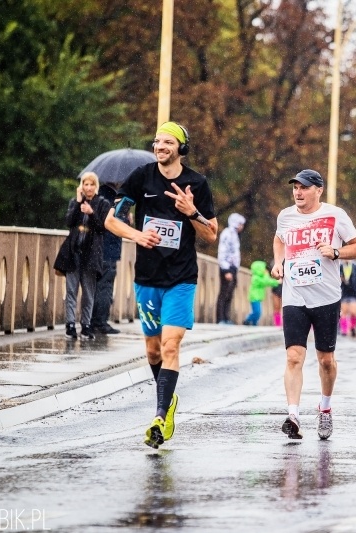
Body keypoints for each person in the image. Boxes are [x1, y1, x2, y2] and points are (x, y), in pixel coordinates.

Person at [105, 121, 218, 449]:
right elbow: (112, 219)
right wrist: (137, 234)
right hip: (147, 278)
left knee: (171, 345)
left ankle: (158, 415)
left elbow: (210, 234)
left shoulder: (197, 183)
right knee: (153, 349)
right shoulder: (142, 177)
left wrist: (192, 212)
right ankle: (168, 403)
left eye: (167, 142)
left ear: (181, 148)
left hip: (181, 278)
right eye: (157, 141)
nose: (160, 147)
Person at [271, 169, 356, 440]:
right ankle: (293, 415)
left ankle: (325, 408)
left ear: (318, 190)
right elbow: (279, 239)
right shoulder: (285, 216)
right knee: (293, 357)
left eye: (304, 188)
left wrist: (335, 252)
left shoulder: (335, 215)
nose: (298, 193)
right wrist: (279, 262)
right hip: (294, 297)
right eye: (295, 188)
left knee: (325, 361)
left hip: (326, 298)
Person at [62, 172, 110, 341]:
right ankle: (70, 325)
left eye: (91, 184)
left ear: (96, 186)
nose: (88, 188)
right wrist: (77, 202)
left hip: (91, 254)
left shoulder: (102, 203)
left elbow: (102, 227)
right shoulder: (75, 202)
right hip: (74, 252)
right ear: (81, 186)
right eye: (85, 184)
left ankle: (86, 325)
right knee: (71, 291)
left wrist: (91, 212)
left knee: (88, 293)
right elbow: (69, 222)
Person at [90, 183, 123, 335]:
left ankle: (91, 320)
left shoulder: (97, 196)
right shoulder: (112, 199)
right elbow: (115, 225)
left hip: (95, 250)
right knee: (105, 287)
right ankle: (100, 322)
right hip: (108, 250)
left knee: (94, 287)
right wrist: (125, 218)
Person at [216, 213, 246, 324]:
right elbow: (223, 252)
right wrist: (226, 270)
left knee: (229, 294)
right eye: (240, 224)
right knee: (224, 293)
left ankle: (226, 317)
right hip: (227, 267)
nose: (242, 227)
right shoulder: (227, 233)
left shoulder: (235, 235)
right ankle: (220, 318)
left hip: (233, 268)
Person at [243, 260, 280, 325]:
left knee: (257, 312)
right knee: (257, 312)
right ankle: (248, 319)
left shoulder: (258, 277)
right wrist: (276, 281)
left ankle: (254, 323)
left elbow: (267, 281)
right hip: (254, 297)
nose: (265, 270)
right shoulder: (256, 278)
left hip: (257, 298)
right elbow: (266, 281)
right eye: (263, 269)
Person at [340, 259, 356, 337]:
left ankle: (352, 327)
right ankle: (344, 330)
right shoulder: (340, 266)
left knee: (354, 312)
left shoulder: (355, 266)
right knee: (343, 312)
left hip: (354, 293)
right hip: (343, 293)